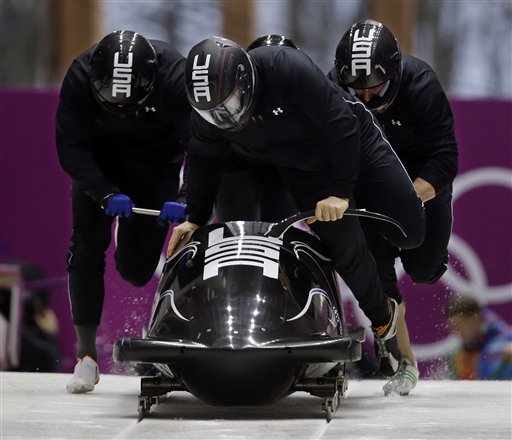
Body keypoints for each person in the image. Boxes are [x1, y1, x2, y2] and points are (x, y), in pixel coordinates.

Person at [167, 37, 426, 378]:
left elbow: (340, 123)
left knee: (410, 230)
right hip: (304, 166)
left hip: (351, 137)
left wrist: (340, 193)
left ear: (245, 81)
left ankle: (386, 308)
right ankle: (383, 321)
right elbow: (203, 159)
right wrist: (195, 218)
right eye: (213, 113)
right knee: (343, 246)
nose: (223, 118)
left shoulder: (286, 68)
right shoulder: (208, 117)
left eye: (228, 106)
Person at [56, 30, 190, 393]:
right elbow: (70, 147)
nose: (121, 110)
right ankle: (86, 357)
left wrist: (186, 196)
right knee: (86, 242)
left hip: (156, 165)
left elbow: (201, 142)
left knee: (136, 271)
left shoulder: (175, 75)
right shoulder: (80, 75)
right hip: (101, 163)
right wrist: (103, 191)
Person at [329, 19, 459, 395]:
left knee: (424, 267)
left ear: (396, 74)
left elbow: (445, 158)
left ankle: (424, 260)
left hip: (421, 182)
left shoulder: (422, 85)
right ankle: (405, 360)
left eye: (375, 87)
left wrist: (407, 195)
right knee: (379, 275)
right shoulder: (332, 87)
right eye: (357, 89)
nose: (366, 97)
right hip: (368, 186)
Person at [214, 35, 299, 223]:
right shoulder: (229, 94)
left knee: (279, 230)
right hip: (237, 162)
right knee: (233, 230)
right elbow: (204, 146)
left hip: (284, 166)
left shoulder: (309, 93)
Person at [444, 294, 512, 380]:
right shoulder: (456, 356)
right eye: (452, 328)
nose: (456, 332)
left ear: (475, 317)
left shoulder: (506, 341)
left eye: (457, 326)